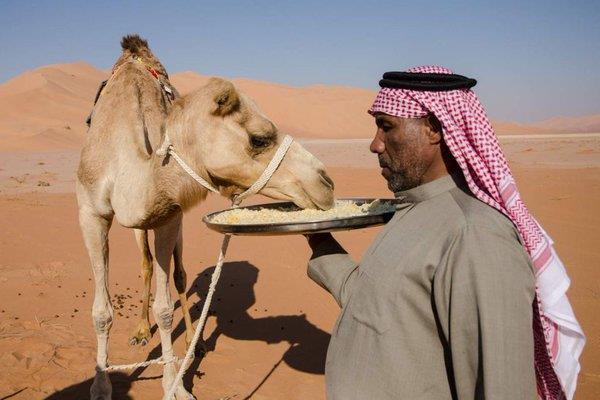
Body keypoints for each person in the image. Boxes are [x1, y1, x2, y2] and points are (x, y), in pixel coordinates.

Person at [304, 66, 584, 400]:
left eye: (386, 127)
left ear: (434, 129)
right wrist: (315, 235)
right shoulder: (414, 209)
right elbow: (371, 302)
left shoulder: (476, 235)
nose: (375, 144)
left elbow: (500, 385)